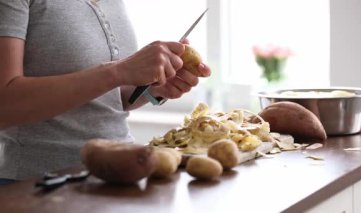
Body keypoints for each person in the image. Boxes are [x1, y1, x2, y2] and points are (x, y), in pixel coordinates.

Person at [0, 0, 211, 184]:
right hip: (39, 185)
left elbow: (107, 99)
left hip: (119, 174)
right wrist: (117, 71)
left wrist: (153, 87)